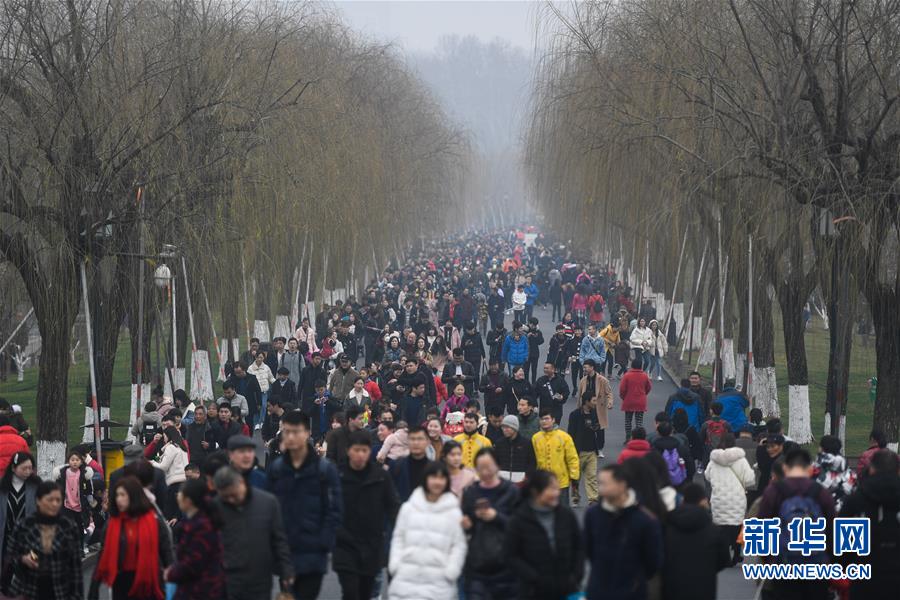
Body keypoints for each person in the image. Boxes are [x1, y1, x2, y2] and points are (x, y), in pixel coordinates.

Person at [267, 411, 342, 600]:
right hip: (285, 553)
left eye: (296, 431)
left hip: (313, 552)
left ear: (307, 433)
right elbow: (270, 509)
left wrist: (324, 542)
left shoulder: (324, 470)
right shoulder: (277, 469)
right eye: (286, 432)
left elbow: (335, 509)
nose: (291, 437)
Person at [757, 448, 836, 600]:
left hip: (784, 565)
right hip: (816, 565)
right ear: (810, 469)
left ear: (785, 468)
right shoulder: (821, 492)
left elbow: (763, 529)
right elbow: (832, 531)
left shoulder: (774, 492)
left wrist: (769, 561)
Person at [334, 430, 400, 600]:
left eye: (364, 450)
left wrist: (397, 532)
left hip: (372, 545)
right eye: (356, 450)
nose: (360, 455)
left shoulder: (381, 476)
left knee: (366, 592)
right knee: (350, 592)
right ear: (349, 450)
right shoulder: (338, 475)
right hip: (345, 545)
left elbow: (393, 506)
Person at [388, 461, 467, 600]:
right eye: (433, 477)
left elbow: (459, 544)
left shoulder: (453, 512)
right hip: (405, 579)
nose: (437, 482)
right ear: (425, 479)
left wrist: (452, 570)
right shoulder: (409, 508)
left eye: (441, 478)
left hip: (439, 583)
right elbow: (398, 537)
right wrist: (395, 563)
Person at [214, 466, 294, 599]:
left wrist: (286, 570)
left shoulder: (268, 502)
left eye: (233, 495)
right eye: (226, 497)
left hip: (260, 577)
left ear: (240, 483)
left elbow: (279, 539)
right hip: (228, 577)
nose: (231, 500)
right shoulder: (216, 506)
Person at [585, 464, 663, 600]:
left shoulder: (645, 520)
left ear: (622, 484)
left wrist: (636, 579)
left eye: (605, 484)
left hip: (632, 592)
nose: (600, 489)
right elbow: (589, 550)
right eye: (600, 484)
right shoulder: (593, 515)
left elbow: (653, 561)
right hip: (598, 590)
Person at [504, 470, 584, 600]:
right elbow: (510, 556)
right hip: (532, 591)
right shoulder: (518, 519)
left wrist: (575, 576)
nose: (556, 493)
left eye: (557, 489)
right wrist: (534, 578)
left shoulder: (566, 515)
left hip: (566, 589)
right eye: (551, 489)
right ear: (536, 491)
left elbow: (579, 547)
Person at [92, 476, 173, 600]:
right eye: (117, 495)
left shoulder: (153, 521)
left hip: (148, 582)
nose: (119, 499)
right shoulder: (112, 523)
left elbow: (166, 551)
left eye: (123, 495)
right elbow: (103, 554)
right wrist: (94, 588)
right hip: (121, 583)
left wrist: (171, 576)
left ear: (134, 495)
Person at [838, 449, 900, 599]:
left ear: (871, 469)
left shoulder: (855, 501)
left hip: (864, 582)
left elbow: (842, 552)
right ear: (898, 471)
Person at [6, 481, 83, 600]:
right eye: (50, 500)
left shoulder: (68, 526)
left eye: (58, 500)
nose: (55, 504)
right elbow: (10, 555)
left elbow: (76, 568)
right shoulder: (24, 525)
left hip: (60, 591)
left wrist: (77, 596)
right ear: (38, 500)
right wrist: (22, 559)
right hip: (27, 590)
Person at [460, 448, 520, 599]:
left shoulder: (512, 491)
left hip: (507, 565)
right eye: (480, 468)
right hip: (477, 565)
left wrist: (497, 517)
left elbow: (520, 526)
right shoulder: (471, 493)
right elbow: (465, 526)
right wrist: (467, 524)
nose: (485, 472)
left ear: (498, 466)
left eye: (489, 467)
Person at [661, 483, 730, 600]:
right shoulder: (714, 531)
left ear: (683, 500)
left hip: (673, 588)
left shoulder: (667, 527)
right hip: (704, 588)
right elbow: (723, 560)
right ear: (703, 501)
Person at [164, 479, 225, 600]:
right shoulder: (195, 522)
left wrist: (170, 574)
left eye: (180, 493)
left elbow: (193, 564)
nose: (177, 496)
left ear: (189, 500)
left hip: (200, 591)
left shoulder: (201, 527)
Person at [704, 433, 755, 565]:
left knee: (722, 527)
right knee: (736, 526)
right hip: (737, 499)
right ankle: (737, 552)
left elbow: (707, 475)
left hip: (719, 498)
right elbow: (749, 480)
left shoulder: (714, 460)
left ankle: (724, 553)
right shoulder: (741, 460)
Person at [0, 451, 38, 592]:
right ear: (13, 468)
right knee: (5, 574)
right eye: (24, 468)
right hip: (7, 539)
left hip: (30, 539)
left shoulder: (36, 486)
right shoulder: (3, 488)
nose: (28, 471)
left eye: (30, 468)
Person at [532, 408, 580, 506]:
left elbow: (572, 458)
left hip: (561, 483)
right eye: (542, 419)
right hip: (542, 483)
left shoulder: (564, 437)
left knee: (562, 513)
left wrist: (574, 477)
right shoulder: (536, 438)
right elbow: (532, 460)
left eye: (546, 419)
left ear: (553, 420)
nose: (544, 421)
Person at [568, 392, 602, 506]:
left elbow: (598, 427)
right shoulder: (575, 414)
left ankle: (593, 499)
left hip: (592, 450)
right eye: (594, 400)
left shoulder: (594, 413)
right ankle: (575, 498)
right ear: (586, 401)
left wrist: (596, 427)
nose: (595, 403)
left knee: (592, 476)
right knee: (575, 477)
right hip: (578, 451)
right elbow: (571, 433)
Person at [576, 358, 612, 458]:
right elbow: (579, 395)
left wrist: (609, 402)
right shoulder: (583, 380)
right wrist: (578, 407)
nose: (584, 369)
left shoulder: (602, 380)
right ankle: (587, 448)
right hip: (586, 408)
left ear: (592, 367)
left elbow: (609, 393)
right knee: (586, 428)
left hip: (597, 408)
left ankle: (600, 449)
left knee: (599, 429)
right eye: (584, 367)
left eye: (586, 367)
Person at [152, 426, 189, 520]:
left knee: (169, 513)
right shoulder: (182, 447)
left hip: (173, 484)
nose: (164, 439)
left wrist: (151, 463)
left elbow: (163, 467)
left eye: (164, 436)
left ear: (168, 436)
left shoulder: (171, 447)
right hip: (184, 482)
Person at [390, 426, 431, 502]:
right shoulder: (396, 465)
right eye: (412, 439)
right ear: (407, 442)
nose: (416, 443)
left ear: (428, 442)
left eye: (420, 439)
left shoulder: (433, 468)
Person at [619, 358, 652, 442]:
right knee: (639, 421)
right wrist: (644, 394)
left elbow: (622, 389)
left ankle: (628, 438)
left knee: (628, 421)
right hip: (641, 401)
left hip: (629, 401)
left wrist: (624, 397)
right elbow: (649, 387)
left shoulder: (627, 375)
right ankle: (638, 438)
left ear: (632, 365)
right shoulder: (644, 375)